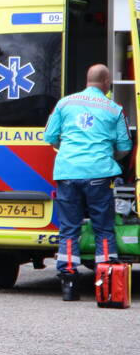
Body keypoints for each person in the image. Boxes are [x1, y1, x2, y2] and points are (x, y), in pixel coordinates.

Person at [43, 63, 131, 301]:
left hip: (67, 173)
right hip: (99, 175)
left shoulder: (64, 104)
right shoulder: (114, 109)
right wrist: (106, 157)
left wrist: (68, 151)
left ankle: (68, 284)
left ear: (87, 79)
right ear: (106, 83)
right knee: (103, 228)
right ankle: (107, 281)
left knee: (69, 229)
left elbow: (49, 136)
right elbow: (125, 146)